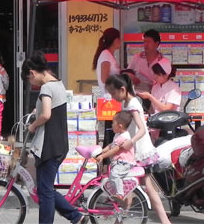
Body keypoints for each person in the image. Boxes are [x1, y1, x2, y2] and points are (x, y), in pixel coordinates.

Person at [21, 53, 87, 224]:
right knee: (46, 188)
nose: (32, 84)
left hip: (48, 146)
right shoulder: (58, 83)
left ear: (32, 73)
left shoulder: (46, 88)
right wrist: (37, 111)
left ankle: (68, 218)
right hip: (59, 144)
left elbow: (46, 115)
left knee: (45, 192)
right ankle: (76, 217)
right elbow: (51, 109)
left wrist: (33, 125)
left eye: (29, 80)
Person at [105, 74, 172, 224]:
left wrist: (130, 142)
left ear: (122, 90)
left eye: (113, 93)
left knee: (146, 187)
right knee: (130, 186)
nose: (113, 97)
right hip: (133, 152)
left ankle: (165, 222)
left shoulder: (132, 105)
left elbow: (141, 129)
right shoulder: (127, 103)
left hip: (140, 152)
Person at [94, 110, 135, 204]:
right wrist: (100, 151)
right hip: (119, 162)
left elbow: (114, 150)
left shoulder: (123, 137)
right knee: (111, 177)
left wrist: (102, 156)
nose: (111, 125)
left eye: (113, 123)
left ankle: (120, 194)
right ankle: (114, 194)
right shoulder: (118, 135)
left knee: (115, 175)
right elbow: (111, 146)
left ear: (120, 126)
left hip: (124, 163)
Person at [92, 28, 121, 148]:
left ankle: (109, 154)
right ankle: (108, 155)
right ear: (115, 40)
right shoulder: (105, 55)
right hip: (109, 98)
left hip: (113, 97)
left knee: (112, 130)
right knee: (111, 130)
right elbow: (105, 78)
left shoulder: (109, 55)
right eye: (119, 38)